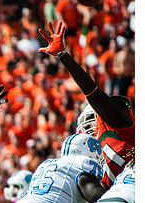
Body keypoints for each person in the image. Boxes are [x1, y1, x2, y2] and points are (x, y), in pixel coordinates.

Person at [39, 21, 134, 187]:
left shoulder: (118, 126)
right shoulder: (91, 166)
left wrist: (63, 56)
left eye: (93, 118)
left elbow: (92, 91)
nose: (89, 127)